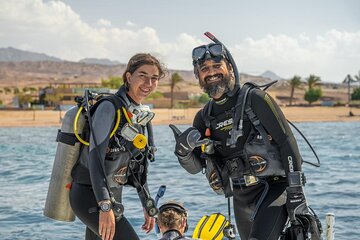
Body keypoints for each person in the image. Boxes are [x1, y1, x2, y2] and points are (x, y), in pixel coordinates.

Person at [169, 41, 322, 239]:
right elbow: (196, 168)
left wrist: (296, 192)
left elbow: (287, 143)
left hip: (274, 189)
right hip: (241, 198)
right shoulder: (203, 117)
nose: (211, 72)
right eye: (204, 69)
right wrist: (182, 153)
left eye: (217, 66)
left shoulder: (256, 99)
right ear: (198, 75)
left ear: (230, 68)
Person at [69, 53, 166, 240]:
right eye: (142, 75)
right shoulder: (109, 107)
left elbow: (138, 167)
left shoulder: (139, 116)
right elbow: (95, 158)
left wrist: (147, 203)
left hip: (113, 193)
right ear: (128, 77)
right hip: (89, 194)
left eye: (154, 78)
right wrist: (104, 205)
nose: (148, 83)